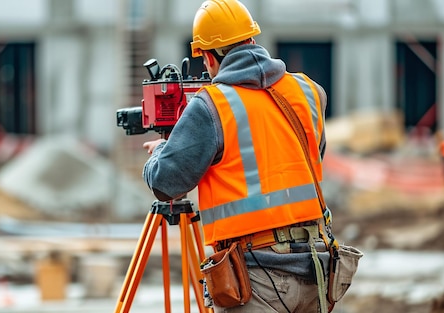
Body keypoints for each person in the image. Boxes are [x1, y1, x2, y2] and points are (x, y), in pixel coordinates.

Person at [142, 0, 333, 312]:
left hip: (255, 278)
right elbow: (307, 157)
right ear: (253, 41)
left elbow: (167, 183)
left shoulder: (211, 106)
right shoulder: (309, 90)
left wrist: (163, 150)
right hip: (317, 269)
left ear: (207, 55)